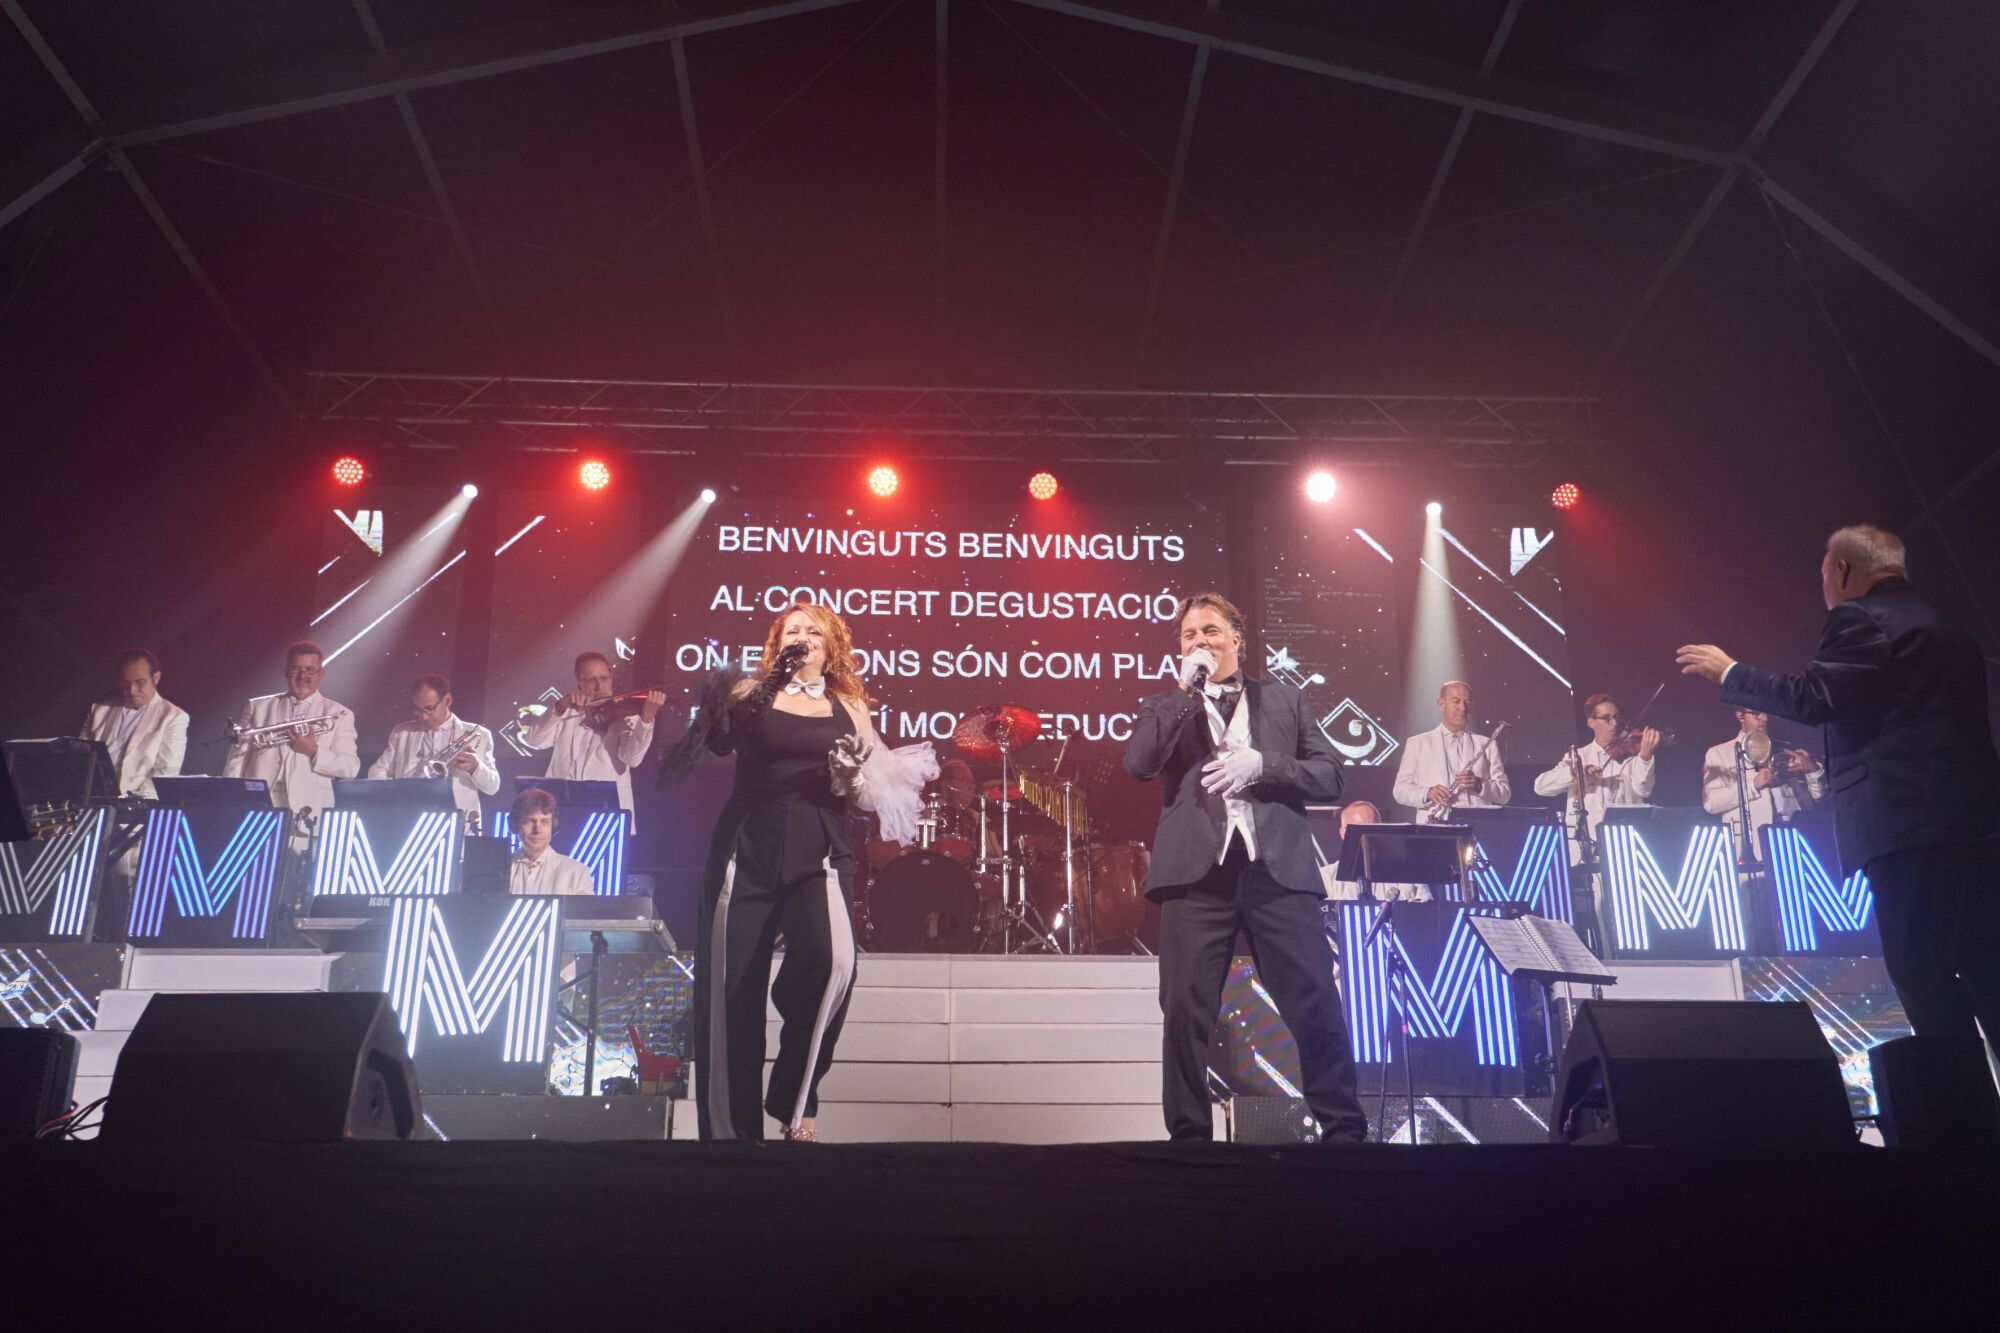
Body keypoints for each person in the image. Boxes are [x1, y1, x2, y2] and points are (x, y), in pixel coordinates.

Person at [1678, 525, 2000, 1058]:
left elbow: (1816, 696)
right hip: (1978, 823)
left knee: (1926, 976)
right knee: (1989, 971)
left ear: (1844, 570)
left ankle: (1962, 1128)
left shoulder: (1861, 617)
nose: (1822, 583)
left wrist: (1731, 672)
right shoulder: (1950, 627)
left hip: (1908, 829)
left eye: (1824, 570)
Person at [665, 602, 934, 1143]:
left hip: (820, 849)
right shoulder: (750, 693)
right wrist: (748, 692)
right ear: (777, 643)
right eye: (793, 630)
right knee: (731, 991)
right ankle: (729, 1135)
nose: (804, 636)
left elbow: (865, 795)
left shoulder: (849, 704)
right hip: (745, 850)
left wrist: (851, 775)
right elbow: (719, 742)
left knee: (835, 962)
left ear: (832, 645)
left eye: (814, 630)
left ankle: (793, 1097)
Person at [1124, 590, 1367, 1143]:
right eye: (1189, 635)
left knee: (1314, 1001)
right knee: (1185, 1009)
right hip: (1195, 875)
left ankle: (1345, 1133)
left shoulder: (1286, 700)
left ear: (1237, 637)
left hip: (1275, 870)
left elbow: (1330, 775)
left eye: (1210, 631)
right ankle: (1189, 1139)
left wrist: (1268, 765)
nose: (1200, 642)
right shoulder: (1166, 705)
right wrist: (1186, 692)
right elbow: (1138, 765)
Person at [223, 640, 359, 814]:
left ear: (321, 673)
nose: (303, 676)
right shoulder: (257, 707)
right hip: (258, 804)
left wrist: (313, 751)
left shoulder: (340, 713)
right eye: (296, 669)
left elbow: (350, 767)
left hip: (308, 809)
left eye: (310, 670)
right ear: (285, 671)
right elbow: (238, 759)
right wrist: (230, 800)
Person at [521, 651, 663, 817]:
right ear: (579, 683)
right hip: (560, 809)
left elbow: (632, 759)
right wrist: (558, 708)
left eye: (604, 678)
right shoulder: (567, 713)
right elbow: (533, 740)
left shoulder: (625, 716)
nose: (599, 686)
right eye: (591, 680)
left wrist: (646, 719)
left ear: (611, 679)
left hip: (607, 812)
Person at [1531, 693, 1660, 865]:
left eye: (1616, 717)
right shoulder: (1578, 756)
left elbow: (1644, 789)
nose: (1614, 724)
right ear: (1591, 722)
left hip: (1627, 842)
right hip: (1589, 846)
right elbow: (1540, 786)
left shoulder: (1631, 755)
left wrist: (1645, 756)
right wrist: (1578, 771)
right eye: (1607, 718)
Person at [367, 673, 501, 823]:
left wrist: (475, 767)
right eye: (418, 710)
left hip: (455, 820)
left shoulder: (479, 734)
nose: (423, 717)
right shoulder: (402, 732)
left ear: (447, 700)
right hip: (408, 816)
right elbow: (376, 771)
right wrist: (395, 794)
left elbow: (493, 786)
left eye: (429, 709)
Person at [1700, 707, 1822, 863]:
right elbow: (1711, 803)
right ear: (1740, 715)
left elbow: (1819, 800)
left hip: (1795, 840)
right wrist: (1753, 785)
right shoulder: (1719, 752)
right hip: (1754, 846)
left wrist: (1812, 770)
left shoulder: (1787, 749)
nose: (1765, 718)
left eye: (1767, 713)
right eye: (1757, 713)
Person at [1392, 680, 1511, 823]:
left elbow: (1504, 794)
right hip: (1434, 828)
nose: (1463, 707)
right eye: (1456, 701)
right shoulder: (1417, 744)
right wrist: (1427, 793)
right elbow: (1400, 791)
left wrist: (1478, 785)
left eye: (1467, 702)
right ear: (1441, 704)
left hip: (1477, 828)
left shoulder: (1487, 744)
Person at [80, 649, 187, 800]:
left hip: (135, 811)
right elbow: (79, 758)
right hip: (90, 802)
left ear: (156, 678)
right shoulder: (99, 710)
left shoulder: (173, 717)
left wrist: (127, 804)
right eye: (126, 684)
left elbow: (164, 773)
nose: (132, 691)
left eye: (140, 683)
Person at [1320, 799, 1431, 902]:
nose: (1367, 838)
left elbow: (1428, 914)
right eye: (1361, 830)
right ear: (1343, 833)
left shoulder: (1409, 876)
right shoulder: (1327, 877)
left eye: (1373, 829)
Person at [506, 787, 595, 896]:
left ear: (554, 826)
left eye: (545, 822)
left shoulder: (578, 873)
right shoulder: (498, 872)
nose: (537, 829)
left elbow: (584, 913)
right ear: (515, 824)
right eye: (530, 821)